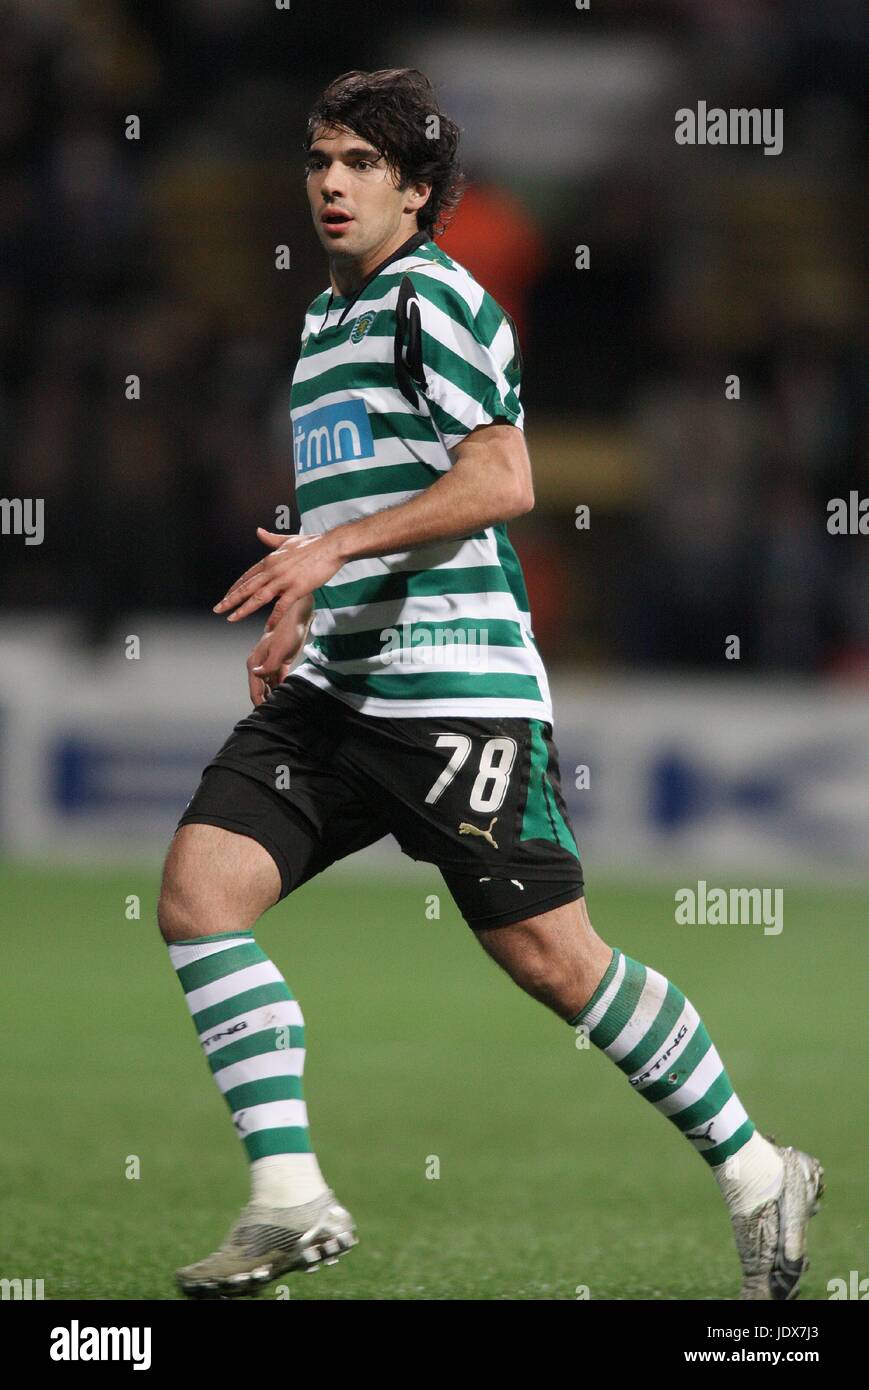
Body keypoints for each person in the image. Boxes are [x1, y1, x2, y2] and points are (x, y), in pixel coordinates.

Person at [158, 68, 823, 1300]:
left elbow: (503, 479)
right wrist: (304, 595)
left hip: (453, 692)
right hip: (334, 690)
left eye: (360, 164)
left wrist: (330, 552)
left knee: (554, 963)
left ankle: (752, 1169)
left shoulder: (436, 299)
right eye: (318, 161)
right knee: (200, 893)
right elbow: (357, 504)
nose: (331, 184)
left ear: (416, 189)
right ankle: (288, 1198)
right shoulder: (320, 321)